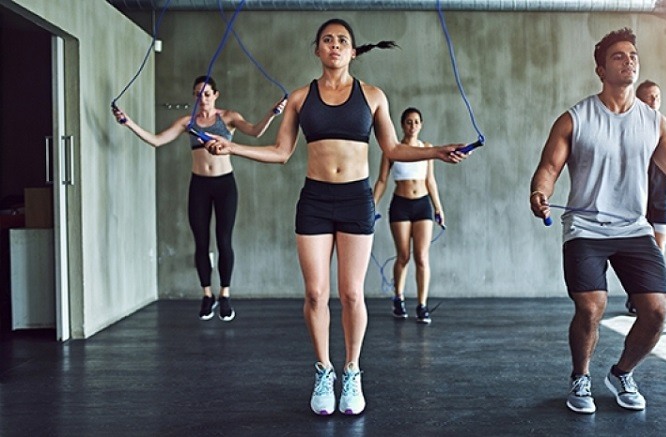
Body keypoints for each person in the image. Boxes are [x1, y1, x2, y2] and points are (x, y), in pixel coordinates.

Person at [204, 18, 467, 416]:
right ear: (317, 50)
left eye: (342, 40)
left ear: (353, 51)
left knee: (351, 294)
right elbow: (280, 152)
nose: (334, 45)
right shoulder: (299, 98)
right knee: (314, 294)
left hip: (356, 199)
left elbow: (392, 149)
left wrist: (435, 151)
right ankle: (324, 370)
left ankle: (352, 370)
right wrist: (233, 148)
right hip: (315, 200)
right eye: (327, 40)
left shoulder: (374, 96)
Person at [529, 28, 666, 414]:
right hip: (585, 228)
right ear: (600, 69)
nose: (629, 60)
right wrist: (540, 192)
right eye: (618, 56)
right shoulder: (575, 118)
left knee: (657, 310)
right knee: (591, 307)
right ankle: (580, 376)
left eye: (633, 55)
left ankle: (622, 372)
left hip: (633, 228)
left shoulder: (654, 122)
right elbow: (548, 166)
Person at [111, 76, 285, 322]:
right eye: (197, 94)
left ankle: (224, 294)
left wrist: (271, 114)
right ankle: (207, 295)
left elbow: (255, 132)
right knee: (201, 242)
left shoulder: (229, 118)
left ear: (216, 95)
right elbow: (157, 140)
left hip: (225, 185)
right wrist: (128, 122)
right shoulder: (188, 122)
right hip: (199, 186)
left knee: (224, 241)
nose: (202, 98)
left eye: (206, 94)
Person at [372, 107, 445, 324]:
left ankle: (422, 305)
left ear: (421, 125)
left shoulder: (427, 148)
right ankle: (398, 298)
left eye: (416, 122)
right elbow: (382, 180)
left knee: (422, 257)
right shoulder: (392, 149)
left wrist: (439, 208)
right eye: (408, 122)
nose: (412, 126)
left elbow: (430, 180)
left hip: (422, 206)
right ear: (402, 125)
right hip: (400, 205)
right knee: (403, 255)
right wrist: (371, 204)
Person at [625, 80, 666, 315]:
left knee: (658, 251)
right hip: (636, 206)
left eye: (657, 96)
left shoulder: (665, 129)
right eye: (648, 97)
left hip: (660, 203)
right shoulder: (630, 129)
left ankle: (646, 298)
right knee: (639, 255)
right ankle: (636, 296)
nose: (653, 101)